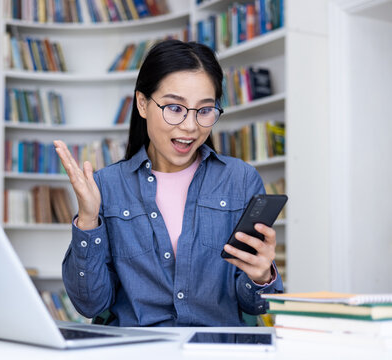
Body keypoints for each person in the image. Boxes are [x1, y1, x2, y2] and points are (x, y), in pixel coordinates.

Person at [53, 39, 283, 327]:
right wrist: (88, 219)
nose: (190, 126)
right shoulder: (106, 185)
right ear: (142, 104)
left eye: (205, 110)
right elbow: (90, 304)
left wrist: (261, 276)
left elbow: (258, 305)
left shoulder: (240, 181)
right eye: (175, 108)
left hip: (216, 350)